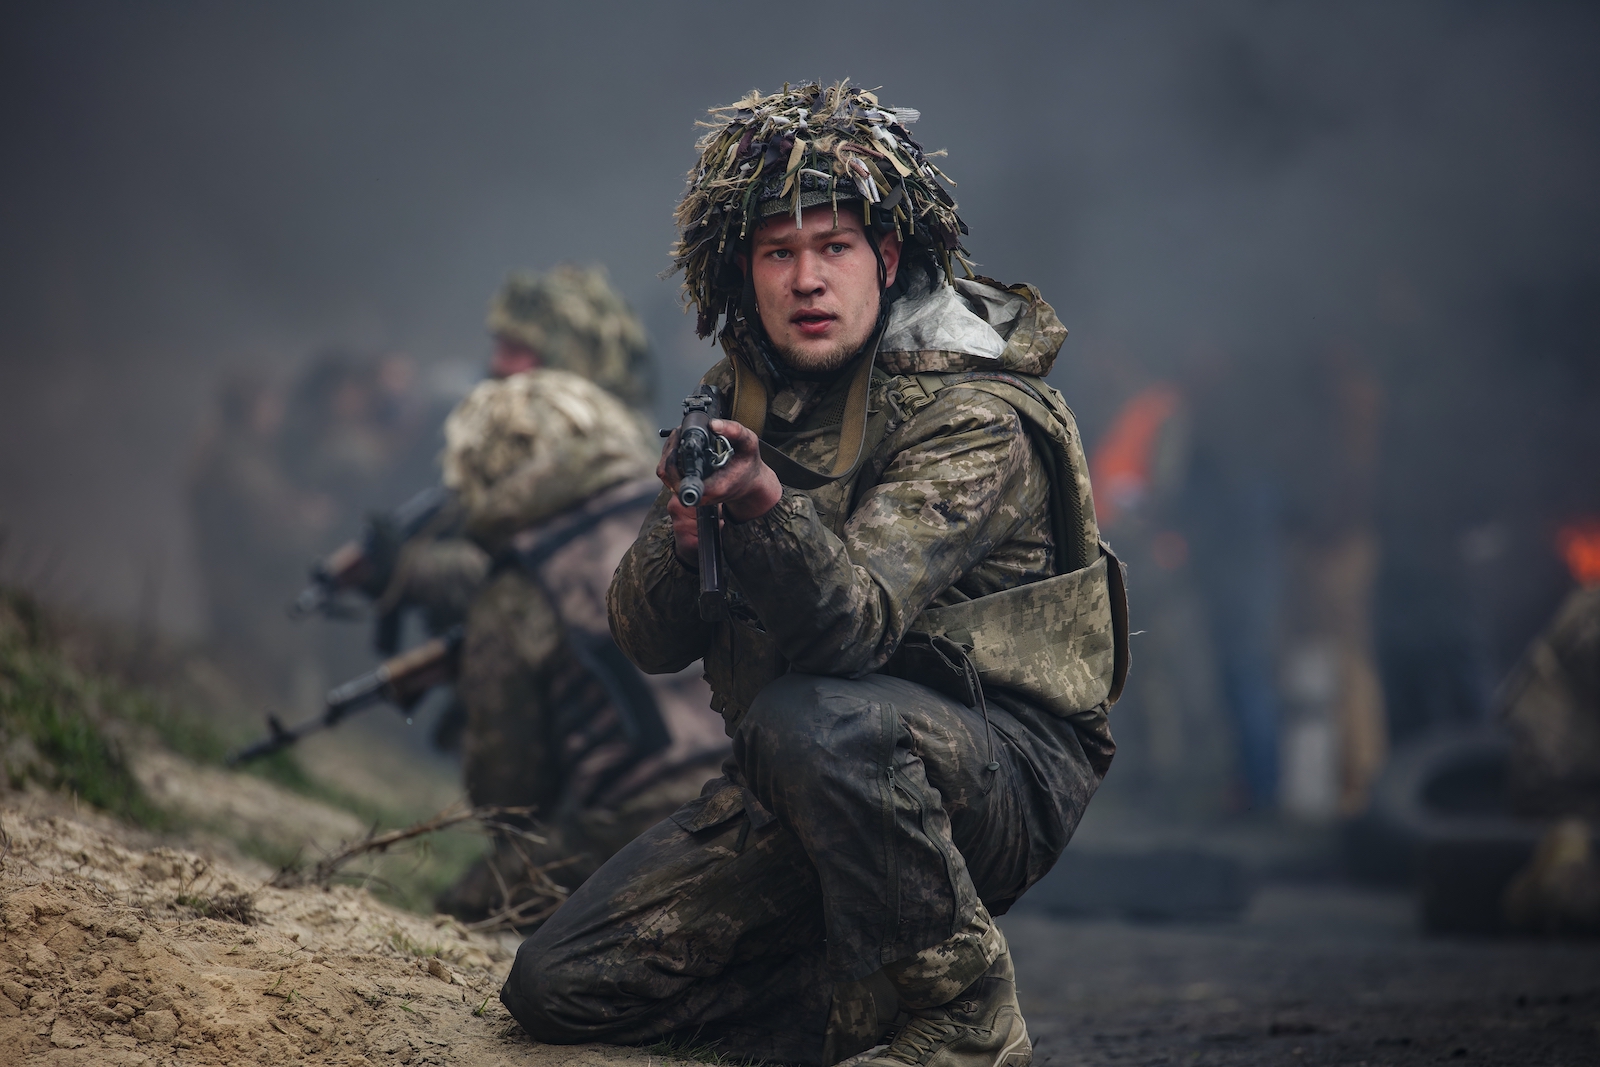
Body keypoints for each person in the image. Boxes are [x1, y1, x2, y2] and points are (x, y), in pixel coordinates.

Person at [500, 81, 1128, 1067]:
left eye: (832, 248)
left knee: (813, 712)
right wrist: (686, 526)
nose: (805, 279)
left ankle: (966, 1019)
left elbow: (852, 629)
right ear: (744, 273)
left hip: (993, 765)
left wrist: (762, 507)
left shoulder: (974, 416)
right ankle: (852, 1013)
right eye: (777, 253)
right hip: (799, 773)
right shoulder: (743, 399)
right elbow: (647, 638)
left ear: (882, 258)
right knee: (558, 985)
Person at [359, 267, 728, 921]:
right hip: (745, 778)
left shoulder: (516, 581)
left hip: (641, 821)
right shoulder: (664, 500)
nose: (500, 366)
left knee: (468, 903)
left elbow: (510, 798)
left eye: (518, 350)